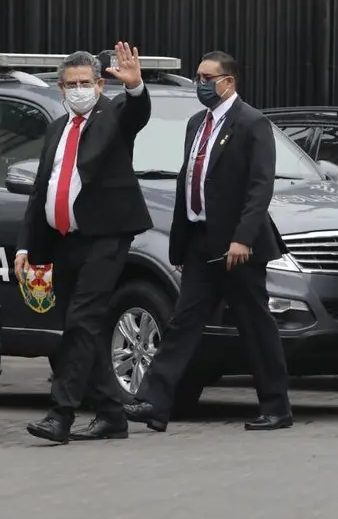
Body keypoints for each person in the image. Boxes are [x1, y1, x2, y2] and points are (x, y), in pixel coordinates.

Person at [123, 51, 293, 432]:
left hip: (237, 247)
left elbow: (259, 186)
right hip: (201, 242)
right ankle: (154, 401)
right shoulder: (197, 123)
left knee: (255, 326)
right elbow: (190, 180)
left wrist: (243, 238)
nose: (200, 84)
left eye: (206, 77)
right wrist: (181, 246)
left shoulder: (252, 123)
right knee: (183, 323)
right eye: (197, 76)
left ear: (227, 82)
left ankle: (276, 407)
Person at [17, 43, 152, 443]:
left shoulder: (112, 116)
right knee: (82, 330)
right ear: (60, 88)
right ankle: (112, 414)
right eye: (71, 84)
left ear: (98, 86)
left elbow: (137, 115)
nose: (78, 90)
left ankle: (61, 415)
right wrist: (26, 247)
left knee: (81, 321)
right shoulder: (57, 128)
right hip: (64, 242)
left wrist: (136, 87)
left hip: (105, 238)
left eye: (86, 83)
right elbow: (41, 190)